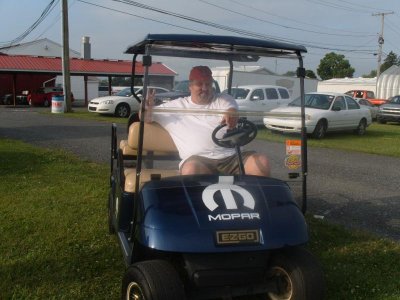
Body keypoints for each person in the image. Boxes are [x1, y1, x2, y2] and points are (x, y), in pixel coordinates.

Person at [143, 66, 270, 176]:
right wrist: (146, 108)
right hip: (200, 160)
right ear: (190, 86)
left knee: (261, 162)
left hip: (232, 157)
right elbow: (146, 117)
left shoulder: (223, 99)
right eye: (199, 84)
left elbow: (231, 109)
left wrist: (231, 113)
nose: (204, 88)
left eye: (208, 84)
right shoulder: (176, 106)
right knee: (191, 169)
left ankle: (260, 202)